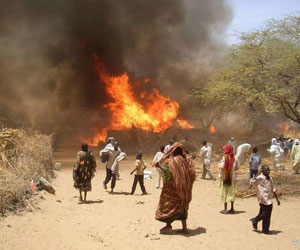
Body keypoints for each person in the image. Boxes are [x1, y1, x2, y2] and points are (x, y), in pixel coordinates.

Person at [155, 142, 195, 234]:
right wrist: (186, 184)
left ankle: (168, 224)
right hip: (184, 189)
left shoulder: (173, 161)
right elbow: (192, 174)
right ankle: (184, 228)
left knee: (168, 204)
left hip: (173, 188)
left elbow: (168, 173)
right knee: (182, 206)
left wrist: (160, 167)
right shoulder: (186, 160)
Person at [250, 165, 280, 234]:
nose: (268, 171)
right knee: (264, 214)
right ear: (262, 171)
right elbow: (252, 182)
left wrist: (277, 199)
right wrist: (257, 174)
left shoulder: (270, 178)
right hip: (263, 198)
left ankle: (265, 229)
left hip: (269, 199)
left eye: (269, 170)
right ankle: (255, 220)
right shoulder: (260, 178)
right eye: (266, 170)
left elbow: (273, 188)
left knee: (268, 215)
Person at [219, 144, 240, 214]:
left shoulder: (224, 157)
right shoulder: (235, 158)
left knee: (225, 192)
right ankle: (232, 208)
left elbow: (221, 166)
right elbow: (238, 167)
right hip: (232, 177)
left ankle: (225, 209)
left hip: (225, 177)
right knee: (231, 193)